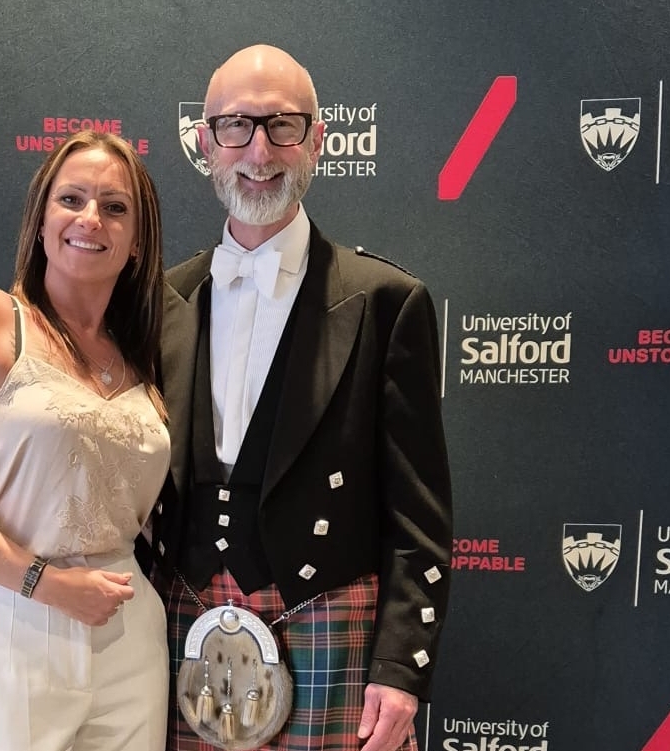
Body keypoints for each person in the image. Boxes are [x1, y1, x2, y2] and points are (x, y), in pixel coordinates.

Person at [150, 45, 453, 751]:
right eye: (235, 127)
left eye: (283, 126)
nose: (260, 150)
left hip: (327, 624)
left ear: (318, 139)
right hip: (182, 625)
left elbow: (421, 516)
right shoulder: (165, 299)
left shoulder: (385, 302)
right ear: (205, 144)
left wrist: (400, 669)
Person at [0, 130, 170, 751]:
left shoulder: (143, 355)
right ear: (41, 220)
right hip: (15, 618)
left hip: (127, 628)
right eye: (71, 199)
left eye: (115, 206)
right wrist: (44, 584)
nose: (91, 218)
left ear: (135, 242)